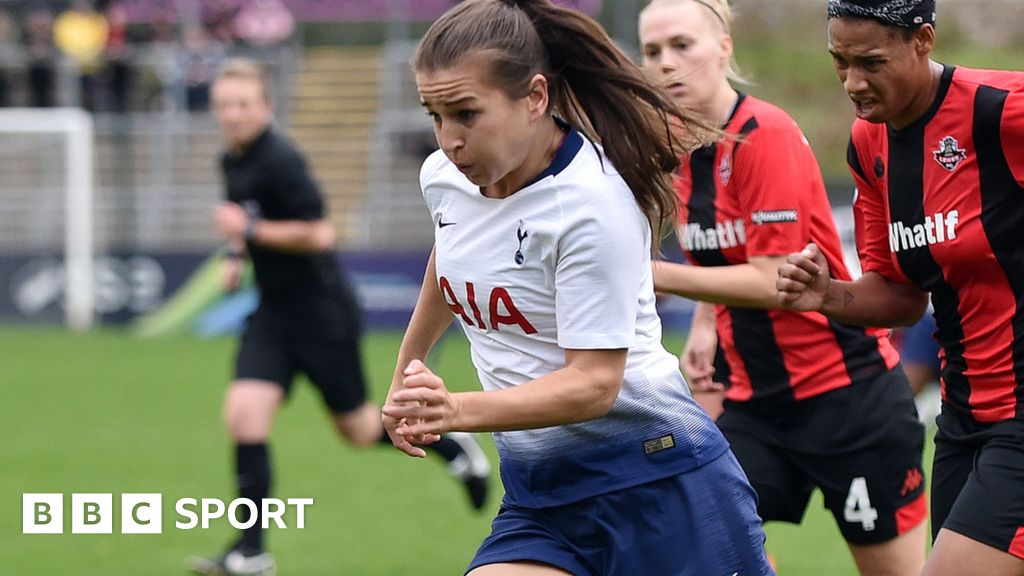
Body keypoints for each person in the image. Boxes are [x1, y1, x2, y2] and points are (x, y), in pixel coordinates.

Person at [381, 1, 773, 575]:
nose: (449, 140)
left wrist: (453, 410)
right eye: (434, 115)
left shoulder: (591, 205)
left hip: (658, 487)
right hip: (542, 500)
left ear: (535, 97)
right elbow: (452, 258)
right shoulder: (445, 177)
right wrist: (406, 367)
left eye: (466, 113)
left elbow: (594, 384)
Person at [637, 2, 927, 574]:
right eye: (652, 51)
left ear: (723, 47)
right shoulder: (672, 147)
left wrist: (653, 275)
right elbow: (721, 252)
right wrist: (703, 322)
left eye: (681, 45)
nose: (666, 64)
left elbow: (775, 278)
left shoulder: (761, 134)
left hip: (850, 402)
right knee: (689, 524)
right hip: (756, 406)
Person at [189, 58, 492, 576]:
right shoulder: (232, 161)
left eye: (242, 104)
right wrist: (239, 256)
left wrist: (251, 232)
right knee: (244, 414)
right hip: (273, 313)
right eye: (224, 105)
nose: (232, 114)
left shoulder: (281, 159)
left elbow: (319, 233)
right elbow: (249, 224)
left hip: (320, 312)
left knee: (356, 430)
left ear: (266, 106)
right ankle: (251, 551)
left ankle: (449, 444)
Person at [776, 1, 1024, 575]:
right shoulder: (870, 144)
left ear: (924, 40)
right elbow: (900, 295)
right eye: (839, 62)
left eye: (871, 62)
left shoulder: (999, 111)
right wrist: (826, 295)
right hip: (962, 421)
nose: (853, 83)